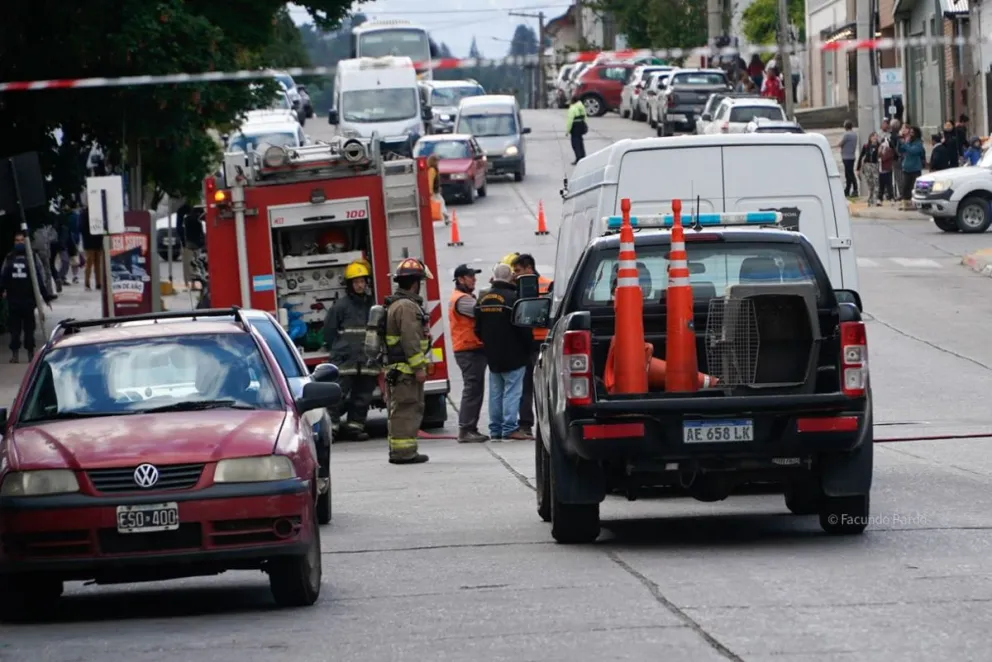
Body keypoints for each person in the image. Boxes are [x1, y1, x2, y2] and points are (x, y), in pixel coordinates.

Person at [474, 263, 533, 441]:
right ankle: (509, 428)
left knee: (496, 393)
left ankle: (495, 429)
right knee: (512, 392)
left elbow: (477, 328)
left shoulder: (482, 299)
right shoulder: (513, 299)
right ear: (510, 277)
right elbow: (523, 328)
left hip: (492, 354)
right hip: (514, 354)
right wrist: (529, 347)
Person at [383, 257, 433, 465]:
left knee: (404, 409)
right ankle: (404, 453)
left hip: (400, 369)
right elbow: (410, 339)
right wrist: (419, 367)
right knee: (406, 409)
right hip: (405, 370)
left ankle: (402, 451)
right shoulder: (406, 307)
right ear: (414, 283)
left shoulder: (399, 304)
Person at [324, 260, 376, 442]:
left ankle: (355, 428)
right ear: (349, 285)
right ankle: (331, 429)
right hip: (346, 360)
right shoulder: (340, 306)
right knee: (336, 395)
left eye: (362, 281)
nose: (360, 285)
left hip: (367, 360)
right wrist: (338, 348)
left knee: (363, 396)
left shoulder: (372, 305)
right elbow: (329, 331)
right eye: (356, 282)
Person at [509, 253, 551, 438]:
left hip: (542, 342)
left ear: (529, 268)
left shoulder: (547, 285)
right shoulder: (518, 287)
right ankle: (526, 424)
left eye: (518, 270)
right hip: (527, 342)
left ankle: (536, 424)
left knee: (542, 387)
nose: (516, 274)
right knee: (526, 387)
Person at [448, 263, 488, 443]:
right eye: (471, 277)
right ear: (460, 279)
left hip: (470, 349)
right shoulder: (462, 299)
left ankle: (470, 428)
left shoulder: (463, 297)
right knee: (472, 389)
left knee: (475, 389)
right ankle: (466, 429)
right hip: (468, 350)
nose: (474, 279)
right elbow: (482, 312)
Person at [1, 231, 53, 363]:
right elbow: (3, 277)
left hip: (28, 301)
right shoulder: (10, 258)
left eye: (21, 241)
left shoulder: (32, 257)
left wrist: (45, 297)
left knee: (29, 329)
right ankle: (15, 354)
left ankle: (30, 353)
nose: (19, 243)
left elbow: (38, 278)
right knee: (15, 330)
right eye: (17, 241)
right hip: (14, 301)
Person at [897, 125, 926, 209]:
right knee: (905, 187)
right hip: (906, 168)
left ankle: (915, 204)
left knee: (914, 187)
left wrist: (905, 143)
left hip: (915, 169)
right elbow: (900, 150)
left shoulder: (918, 143)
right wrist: (900, 141)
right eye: (910, 132)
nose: (911, 134)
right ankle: (906, 204)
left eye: (912, 132)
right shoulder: (908, 142)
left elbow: (913, 151)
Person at [80, 205, 105, 290]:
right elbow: (81, 227)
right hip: (93, 241)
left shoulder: (84, 213)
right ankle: (91, 283)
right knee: (93, 263)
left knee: (93, 263)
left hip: (92, 241)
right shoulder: (86, 213)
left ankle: (95, 283)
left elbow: (81, 227)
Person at [856, 132, 881, 207]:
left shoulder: (879, 146)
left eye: (876, 136)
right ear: (870, 138)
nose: (875, 138)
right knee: (870, 184)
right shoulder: (866, 146)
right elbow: (861, 157)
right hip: (867, 166)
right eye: (873, 136)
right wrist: (858, 169)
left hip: (875, 165)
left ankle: (875, 199)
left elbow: (881, 155)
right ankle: (870, 199)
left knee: (876, 183)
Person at [426, 154, 451, 224]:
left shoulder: (433, 169)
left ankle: (445, 217)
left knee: (440, 203)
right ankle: (445, 217)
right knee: (440, 203)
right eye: (437, 161)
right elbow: (430, 181)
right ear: (433, 161)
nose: (438, 163)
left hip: (435, 191)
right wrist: (430, 191)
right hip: (433, 192)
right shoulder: (432, 170)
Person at [565, 93, 587, 165]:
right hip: (581, 125)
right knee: (580, 142)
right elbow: (585, 116)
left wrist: (567, 131)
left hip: (575, 127)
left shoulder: (572, 108)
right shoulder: (581, 106)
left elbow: (570, 120)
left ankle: (578, 158)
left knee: (575, 144)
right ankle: (583, 157)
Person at [839, 121, 859, 197]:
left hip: (846, 157)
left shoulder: (846, 135)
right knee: (848, 174)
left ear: (845, 126)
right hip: (852, 156)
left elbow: (840, 143)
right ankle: (847, 189)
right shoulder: (854, 134)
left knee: (849, 174)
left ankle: (854, 189)